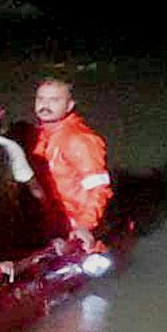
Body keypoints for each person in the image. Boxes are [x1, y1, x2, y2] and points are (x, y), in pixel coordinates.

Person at [26, 79, 112, 251]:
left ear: (69, 105)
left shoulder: (79, 140)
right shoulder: (38, 135)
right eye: (40, 99)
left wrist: (84, 225)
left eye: (54, 100)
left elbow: (99, 189)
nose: (45, 105)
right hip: (50, 221)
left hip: (75, 225)